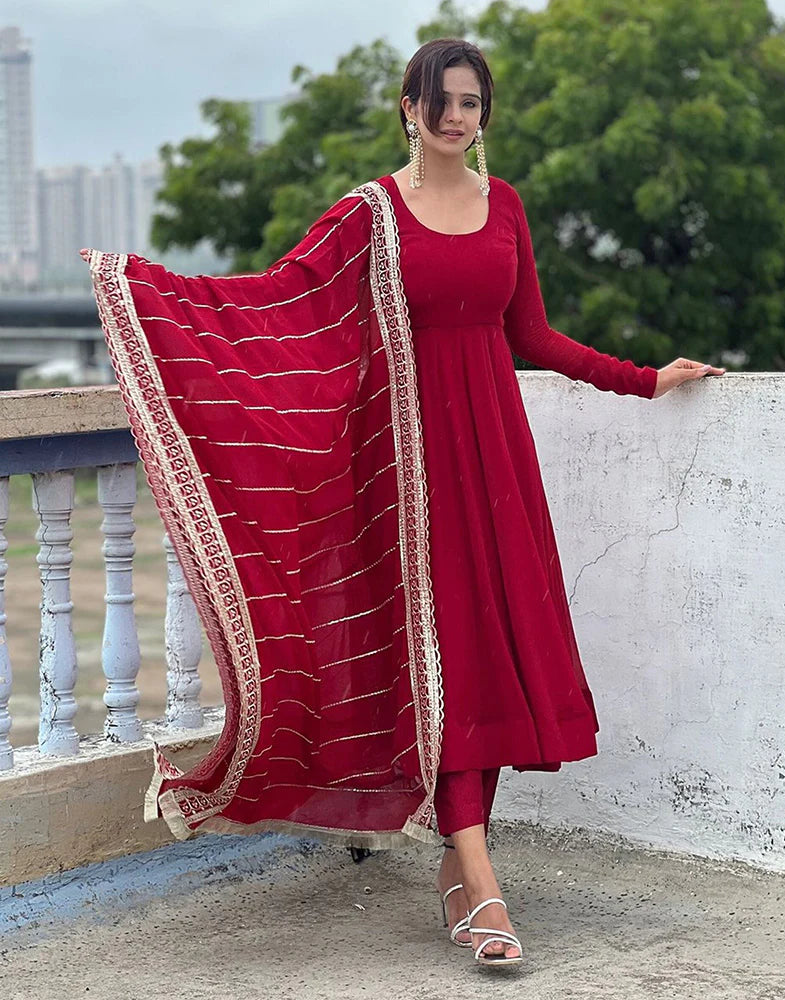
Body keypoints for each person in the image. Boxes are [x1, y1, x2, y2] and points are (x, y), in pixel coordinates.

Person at [83, 37, 725, 969]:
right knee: (449, 665)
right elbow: (279, 304)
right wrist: (144, 292)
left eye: (472, 103)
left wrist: (644, 379)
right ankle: (483, 880)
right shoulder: (370, 217)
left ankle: (459, 874)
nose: (458, 118)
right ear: (408, 106)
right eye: (443, 101)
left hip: (495, 463)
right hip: (407, 476)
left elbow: (533, 335)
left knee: (494, 665)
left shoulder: (504, 207)